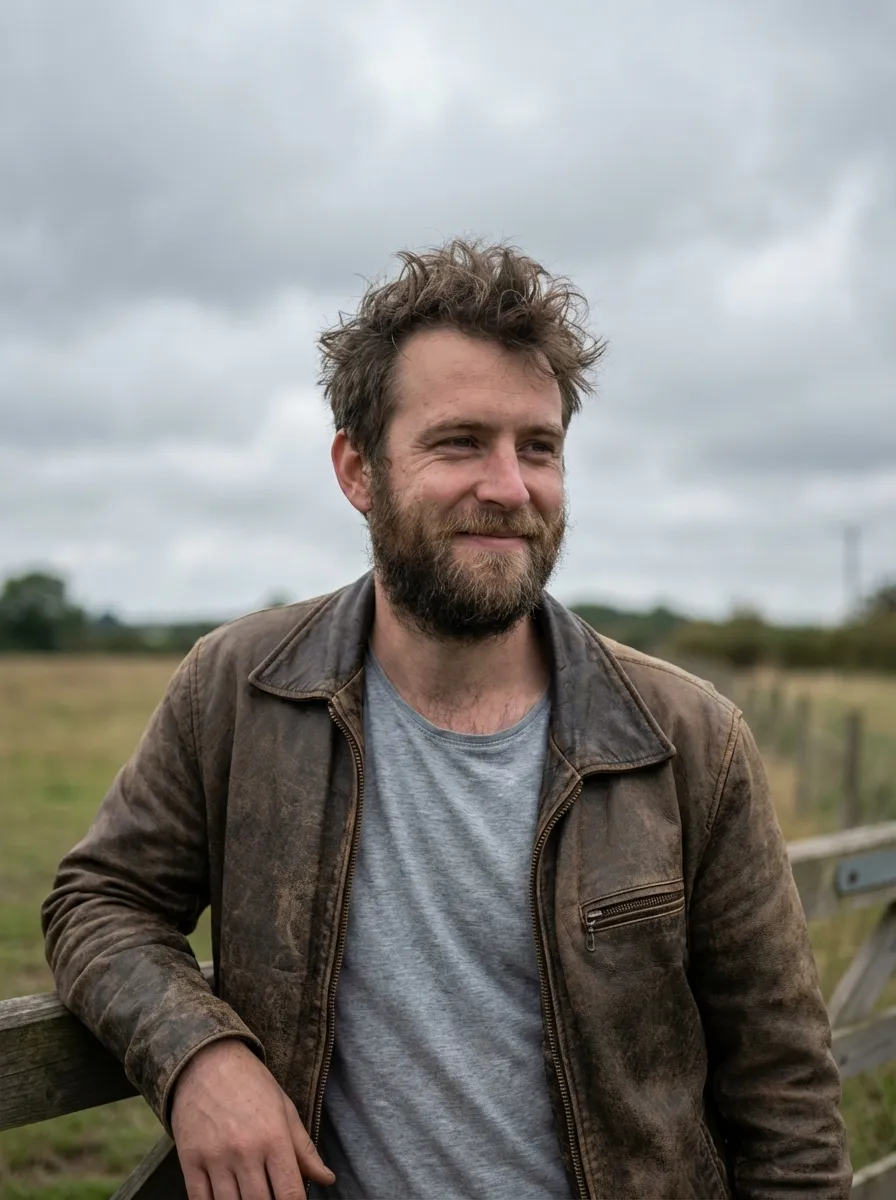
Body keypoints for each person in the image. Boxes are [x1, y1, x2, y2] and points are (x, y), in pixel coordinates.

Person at [42, 240, 850, 1200]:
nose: (510, 488)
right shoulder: (238, 689)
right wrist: (200, 1056)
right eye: (460, 441)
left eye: (538, 448)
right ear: (358, 470)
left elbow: (786, 1095)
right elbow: (99, 901)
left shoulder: (689, 738)